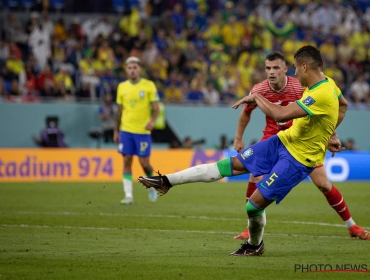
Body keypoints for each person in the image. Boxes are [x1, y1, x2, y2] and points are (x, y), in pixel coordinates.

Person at [138, 46, 356, 256]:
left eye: (296, 68)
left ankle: (254, 245)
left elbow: (280, 114)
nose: (295, 73)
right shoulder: (328, 84)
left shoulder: (322, 93)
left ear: (305, 66)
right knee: (228, 165)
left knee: (253, 206)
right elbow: (343, 105)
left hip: (298, 159)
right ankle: (167, 181)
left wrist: (257, 98)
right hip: (282, 141)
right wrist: (330, 133)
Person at [232, 51, 369, 241]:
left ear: (286, 69)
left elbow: (327, 110)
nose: (271, 72)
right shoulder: (259, 90)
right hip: (273, 138)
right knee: (256, 174)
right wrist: (238, 137)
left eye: (276, 68)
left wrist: (331, 134)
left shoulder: (300, 85)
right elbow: (246, 112)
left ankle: (352, 226)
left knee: (323, 184)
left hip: (302, 140)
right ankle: (250, 228)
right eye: (268, 68)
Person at [114, 57, 160, 205]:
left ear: (139, 69)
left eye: (135, 67)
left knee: (144, 163)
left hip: (142, 132)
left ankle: (151, 185)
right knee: (127, 160)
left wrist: (152, 121)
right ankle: (128, 196)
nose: (132, 70)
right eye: (129, 68)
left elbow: (156, 108)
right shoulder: (122, 87)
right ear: (126, 70)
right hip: (126, 130)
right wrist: (116, 130)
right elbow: (119, 111)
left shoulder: (149, 85)